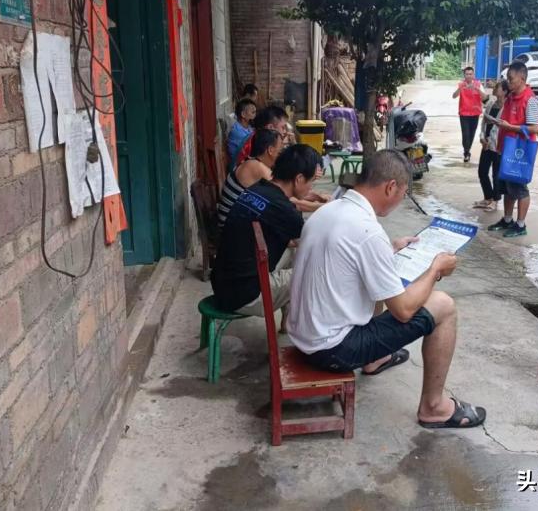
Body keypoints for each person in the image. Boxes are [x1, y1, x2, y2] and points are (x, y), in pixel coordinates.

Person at [288, 149, 486, 428]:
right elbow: (404, 311)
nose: (399, 199)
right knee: (443, 305)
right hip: (332, 350)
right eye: (403, 193)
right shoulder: (368, 231)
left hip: (305, 335)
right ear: (391, 187)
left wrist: (391, 248)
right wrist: (435, 270)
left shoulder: (330, 209)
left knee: (381, 283)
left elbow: (350, 258)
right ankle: (433, 407)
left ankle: (376, 359)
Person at [210, 144, 321, 317]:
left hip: (223, 283)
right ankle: (309, 334)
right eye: (312, 181)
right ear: (299, 179)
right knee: (317, 270)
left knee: (294, 253)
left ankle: (288, 321)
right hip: (245, 296)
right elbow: (317, 243)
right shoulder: (284, 210)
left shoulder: (257, 189)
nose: (311, 188)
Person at [487, 61, 538, 238]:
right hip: (505, 148)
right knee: (507, 187)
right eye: (508, 79)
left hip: (519, 152)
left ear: (522, 78)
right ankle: (507, 219)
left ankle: (521, 224)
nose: (508, 82)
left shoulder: (529, 99)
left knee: (520, 188)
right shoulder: (510, 97)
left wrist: (511, 127)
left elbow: (534, 128)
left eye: (511, 78)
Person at [217, 128, 283, 229]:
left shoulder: (250, 161)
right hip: (228, 230)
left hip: (231, 223)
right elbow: (283, 194)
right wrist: (314, 206)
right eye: (280, 151)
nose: (281, 154)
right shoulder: (256, 167)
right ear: (270, 150)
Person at [473, 80, 506, 212]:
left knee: (496, 174)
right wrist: (482, 138)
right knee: (482, 171)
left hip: (498, 146)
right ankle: (488, 197)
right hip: (486, 143)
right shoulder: (491, 104)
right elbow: (484, 123)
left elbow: (501, 127)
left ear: (504, 91)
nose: (494, 89)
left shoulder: (507, 108)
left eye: (497, 87)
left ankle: (496, 201)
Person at [452, 66, 486, 163]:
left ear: (473, 75)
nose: (469, 76)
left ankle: (467, 149)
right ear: (464, 75)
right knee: (465, 133)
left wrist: (477, 89)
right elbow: (454, 96)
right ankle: (466, 152)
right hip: (464, 113)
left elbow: (485, 98)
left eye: (470, 74)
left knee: (472, 133)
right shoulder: (461, 85)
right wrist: (460, 88)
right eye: (467, 74)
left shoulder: (478, 84)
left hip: (475, 113)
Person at [226, 98, 257, 166]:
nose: (255, 115)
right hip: (237, 168)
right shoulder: (238, 132)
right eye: (253, 112)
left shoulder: (247, 126)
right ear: (243, 114)